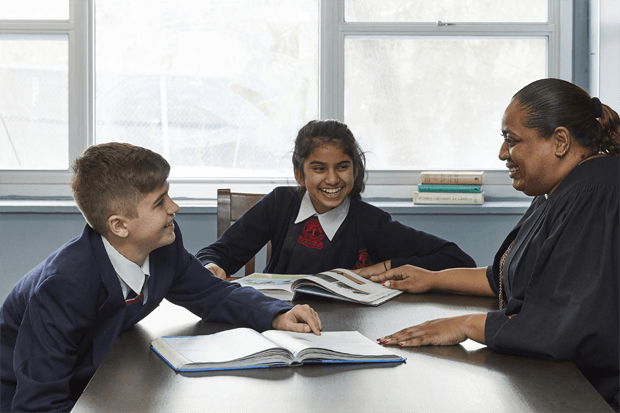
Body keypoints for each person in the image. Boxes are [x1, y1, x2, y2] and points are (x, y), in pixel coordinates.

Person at [0, 143, 322, 412]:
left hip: (99, 380)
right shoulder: (64, 285)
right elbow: (37, 402)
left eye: (169, 195)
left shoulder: (163, 245)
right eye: (160, 202)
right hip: (21, 392)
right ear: (119, 226)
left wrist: (276, 314)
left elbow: (214, 293)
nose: (175, 207)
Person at [364, 79, 619, 411]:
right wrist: (430, 278)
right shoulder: (558, 190)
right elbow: (508, 274)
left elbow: (563, 325)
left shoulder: (594, 196)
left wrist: (466, 324)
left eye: (512, 141)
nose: (503, 153)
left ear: (559, 141)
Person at [196, 119, 476, 279]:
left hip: (344, 331)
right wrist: (212, 268)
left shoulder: (370, 221)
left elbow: (457, 259)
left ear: (355, 169)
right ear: (299, 173)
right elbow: (214, 254)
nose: (332, 179)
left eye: (342, 166)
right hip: (274, 323)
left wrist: (382, 268)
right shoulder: (281, 204)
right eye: (319, 168)